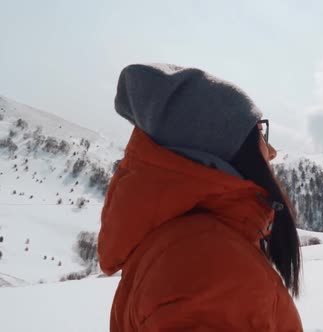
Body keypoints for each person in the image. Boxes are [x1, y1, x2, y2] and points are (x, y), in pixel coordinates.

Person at [98, 64, 303, 331]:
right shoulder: (209, 264)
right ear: (227, 152)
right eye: (260, 134)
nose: (271, 151)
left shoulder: (190, 245)